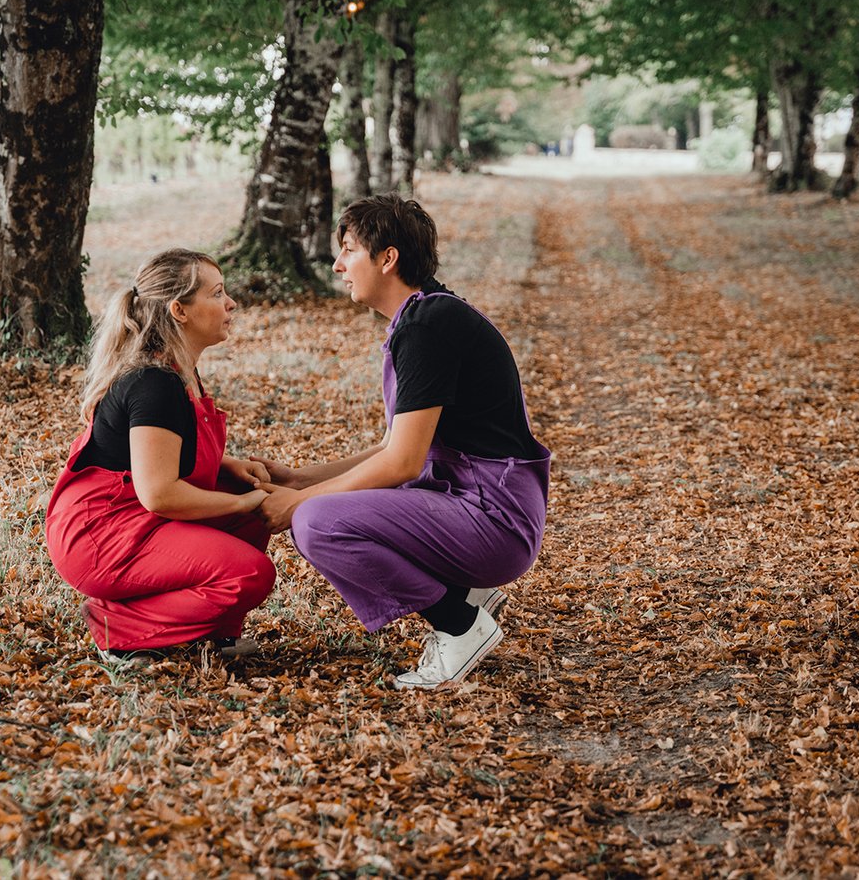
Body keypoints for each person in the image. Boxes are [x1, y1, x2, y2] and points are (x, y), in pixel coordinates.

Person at [257, 194, 550, 691]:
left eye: (348, 249)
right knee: (324, 506)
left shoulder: (429, 327)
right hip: (478, 502)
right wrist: (302, 476)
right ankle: (465, 595)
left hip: (494, 516)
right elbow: (399, 444)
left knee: (316, 524)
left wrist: (300, 500)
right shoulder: (428, 316)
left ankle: (458, 625)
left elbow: (402, 462)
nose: (338, 264)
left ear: (387, 258)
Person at [45, 248, 276, 664]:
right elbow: (161, 494)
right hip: (102, 534)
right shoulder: (155, 383)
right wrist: (241, 501)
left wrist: (228, 469)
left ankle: (215, 636)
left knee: (246, 510)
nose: (231, 303)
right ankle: (119, 627)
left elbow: (153, 455)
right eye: (218, 293)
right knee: (251, 573)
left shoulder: (180, 372)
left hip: (135, 516)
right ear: (179, 310)